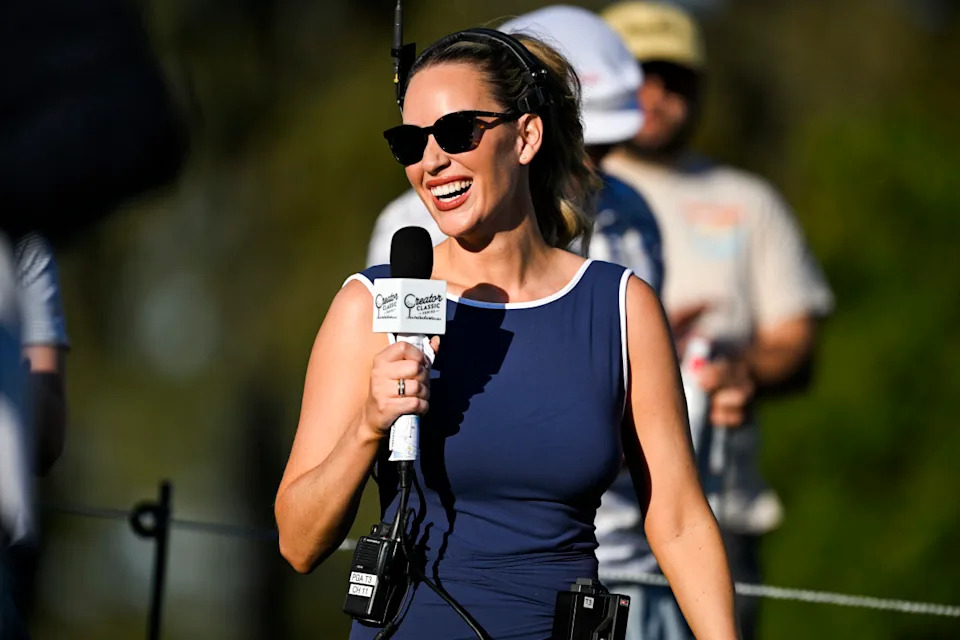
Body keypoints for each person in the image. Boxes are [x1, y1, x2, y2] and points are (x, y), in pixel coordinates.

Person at [275, 22, 738, 640]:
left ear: (526, 136)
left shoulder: (621, 306)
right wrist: (367, 426)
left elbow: (678, 519)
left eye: (457, 132)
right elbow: (298, 543)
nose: (432, 161)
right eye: (410, 142)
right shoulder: (370, 304)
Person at [597, 3, 835, 639]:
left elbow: (797, 342)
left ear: (700, 89)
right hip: (592, 525)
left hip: (721, 506)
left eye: (675, 79)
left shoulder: (749, 201)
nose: (655, 95)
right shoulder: (556, 195)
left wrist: (741, 367)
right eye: (638, 75)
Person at [366, 8, 664, 295]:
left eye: (601, 149)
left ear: (529, 136)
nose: (584, 164)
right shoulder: (405, 226)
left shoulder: (632, 215)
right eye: (410, 142)